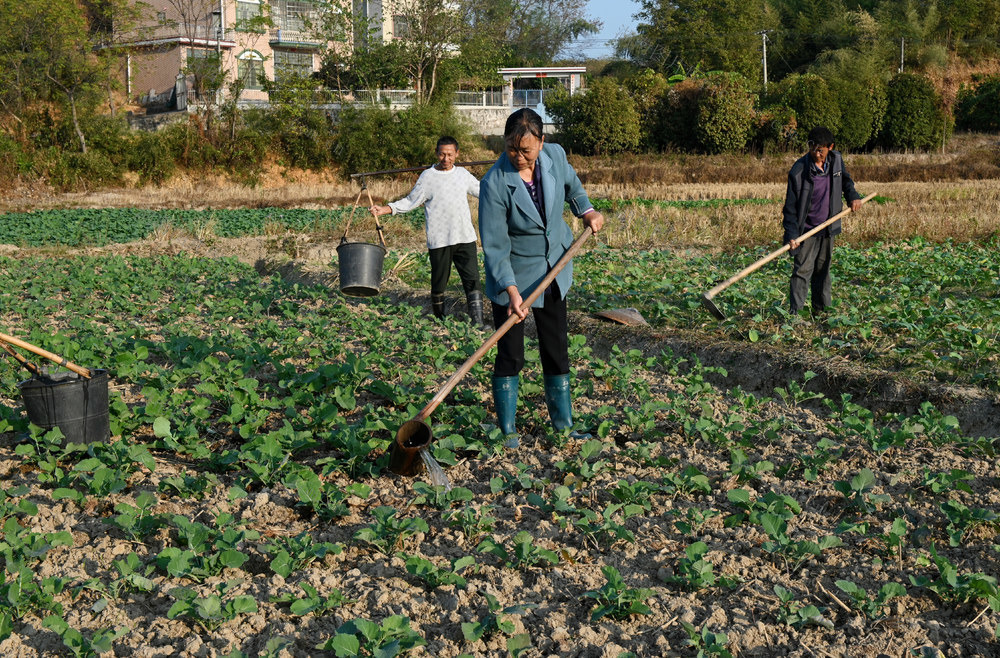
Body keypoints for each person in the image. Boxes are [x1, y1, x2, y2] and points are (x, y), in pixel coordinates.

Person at [478, 108, 605, 448]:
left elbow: (572, 187)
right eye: (511, 149)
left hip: (554, 269)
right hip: (514, 276)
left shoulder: (555, 155)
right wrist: (511, 290)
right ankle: (507, 430)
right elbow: (495, 245)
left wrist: (587, 210)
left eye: (526, 150)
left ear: (541, 142)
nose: (519, 156)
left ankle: (564, 426)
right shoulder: (494, 183)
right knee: (511, 353)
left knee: (555, 347)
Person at [370, 136, 484, 324]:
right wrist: (386, 209)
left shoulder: (463, 174)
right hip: (440, 239)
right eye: (442, 154)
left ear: (457, 154)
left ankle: (478, 321)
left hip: (465, 237)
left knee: (472, 279)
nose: (445, 159)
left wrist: (506, 192)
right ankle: (440, 320)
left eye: (449, 154)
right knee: (439, 282)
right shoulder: (428, 177)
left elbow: (483, 191)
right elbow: (410, 201)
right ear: (436, 153)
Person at [782, 126, 862, 317]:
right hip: (806, 230)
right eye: (813, 149)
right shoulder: (798, 171)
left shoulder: (836, 161)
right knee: (802, 272)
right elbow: (790, 208)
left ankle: (822, 312)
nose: (817, 154)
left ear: (830, 148)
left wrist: (853, 196)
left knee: (823, 271)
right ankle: (796, 316)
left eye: (821, 150)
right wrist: (792, 235)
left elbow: (845, 181)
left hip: (828, 227)